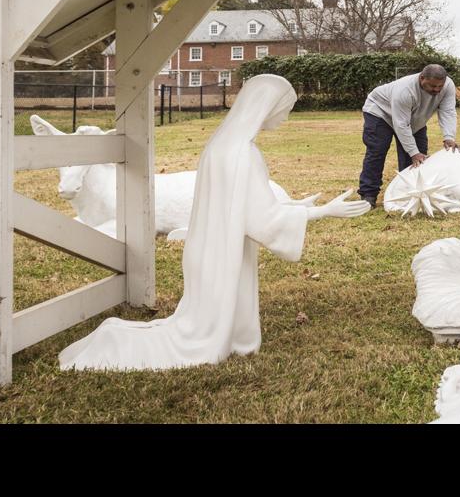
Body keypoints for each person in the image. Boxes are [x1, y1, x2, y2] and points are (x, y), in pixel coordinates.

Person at [60, 75, 370, 371]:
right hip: (223, 255)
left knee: (201, 321)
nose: (285, 118)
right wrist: (324, 211)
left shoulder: (223, 145)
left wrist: (293, 206)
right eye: (284, 110)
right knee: (198, 338)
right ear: (265, 107)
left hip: (210, 249)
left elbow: (241, 204)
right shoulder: (243, 152)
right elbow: (262, 219)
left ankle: (231, 336)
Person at [358, 64, 460, 209]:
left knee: (418, 159)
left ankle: (409, 194)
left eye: (440, 86)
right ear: (422, 78)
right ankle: (368, 195)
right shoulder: (405, 90)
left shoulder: (448, 85)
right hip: (380, 112)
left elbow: (448, 111)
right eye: (433, 86)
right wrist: (413, 152)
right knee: (377, 151)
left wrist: (449, 137)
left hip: (414, 119)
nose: (437, 90)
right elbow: (401, 125)